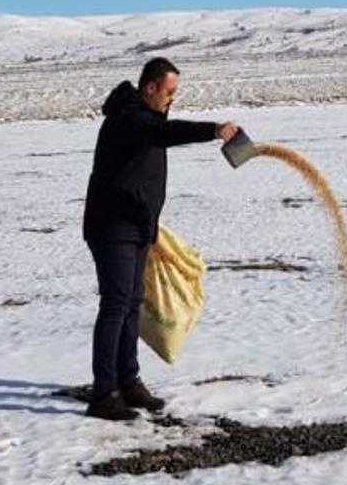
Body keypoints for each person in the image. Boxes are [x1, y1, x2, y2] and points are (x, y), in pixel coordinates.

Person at [82, 57, 239, 421]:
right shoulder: (129, 118)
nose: (172, 99)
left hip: (136, 227)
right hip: (113, 227)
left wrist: (150, 226)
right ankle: (104, 393)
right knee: (116, 304)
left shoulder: (147, 119)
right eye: (168, 92)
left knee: (132, 302)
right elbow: (166, 134)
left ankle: (129, 381)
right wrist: (214, 129)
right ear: (149, 87)